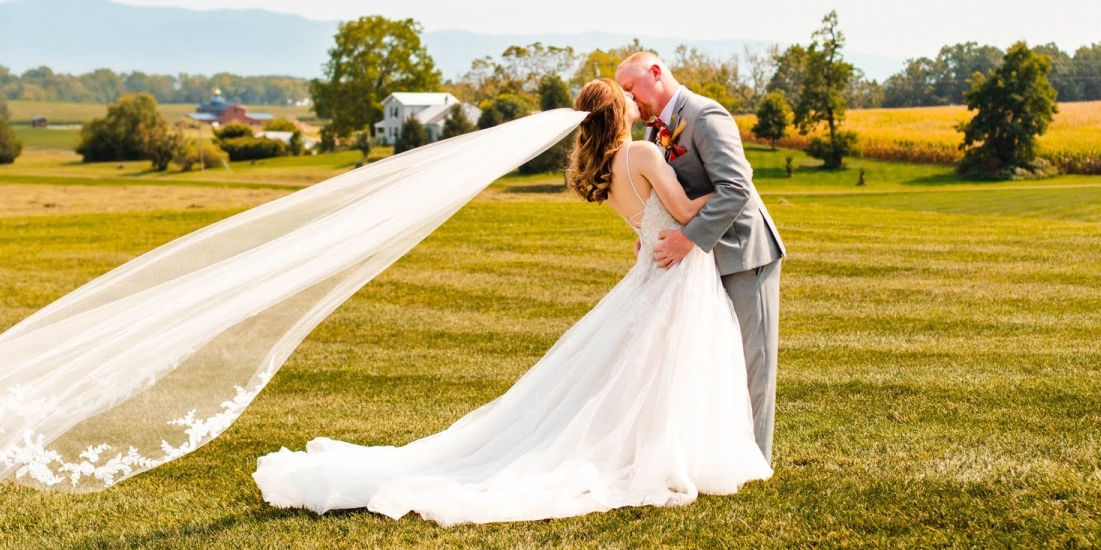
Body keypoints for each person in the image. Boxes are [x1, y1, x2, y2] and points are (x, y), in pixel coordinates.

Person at [252, 79, 771, 524]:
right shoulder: (642, 154)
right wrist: (736, 190)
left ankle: (651, 449)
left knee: (642, 370)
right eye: (627, 95)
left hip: (649, 272)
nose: (637, 99)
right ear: (618, 110)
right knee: (666, 366)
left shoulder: (608, 168)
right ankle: (664, 453)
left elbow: (651, 217)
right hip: (672, 273)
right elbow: (680, 208)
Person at [614, 52, 786, 462]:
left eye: (630, 87)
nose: (629, 99)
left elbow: (736, 189)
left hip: (745, 254)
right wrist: (651, 234)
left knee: (752, 362)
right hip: (701, 265)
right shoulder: (657, 132)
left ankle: (756, 459)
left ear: (655, 73)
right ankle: (720, 454)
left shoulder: (706, 115)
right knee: (714, 358)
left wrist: (687, 239)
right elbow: (672, 193)